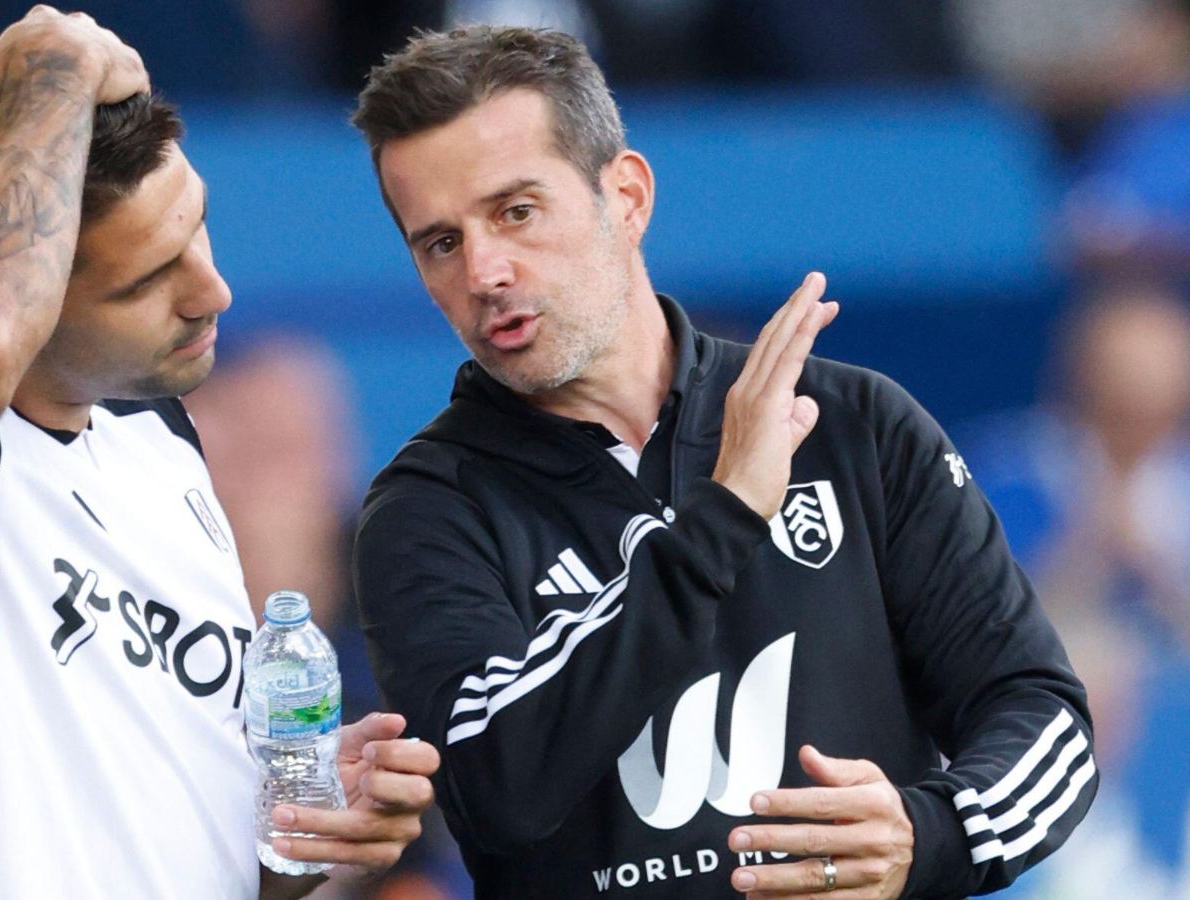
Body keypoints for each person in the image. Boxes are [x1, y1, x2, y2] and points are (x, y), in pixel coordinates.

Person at [348, 26, 1095, 900]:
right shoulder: (427, 511)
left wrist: (931, 832)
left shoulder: (855, 425)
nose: (484, 271)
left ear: (625, 196)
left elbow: (1041, 716)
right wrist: (722, 515)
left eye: (516, 211)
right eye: (440, 242)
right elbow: (495, 786)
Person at [0, 8, 438, 899]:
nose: (210, 290)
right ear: (30, 292)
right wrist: (57, 59)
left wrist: (293, 837)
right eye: (149, 277)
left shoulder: (162, 446)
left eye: (197, 228)